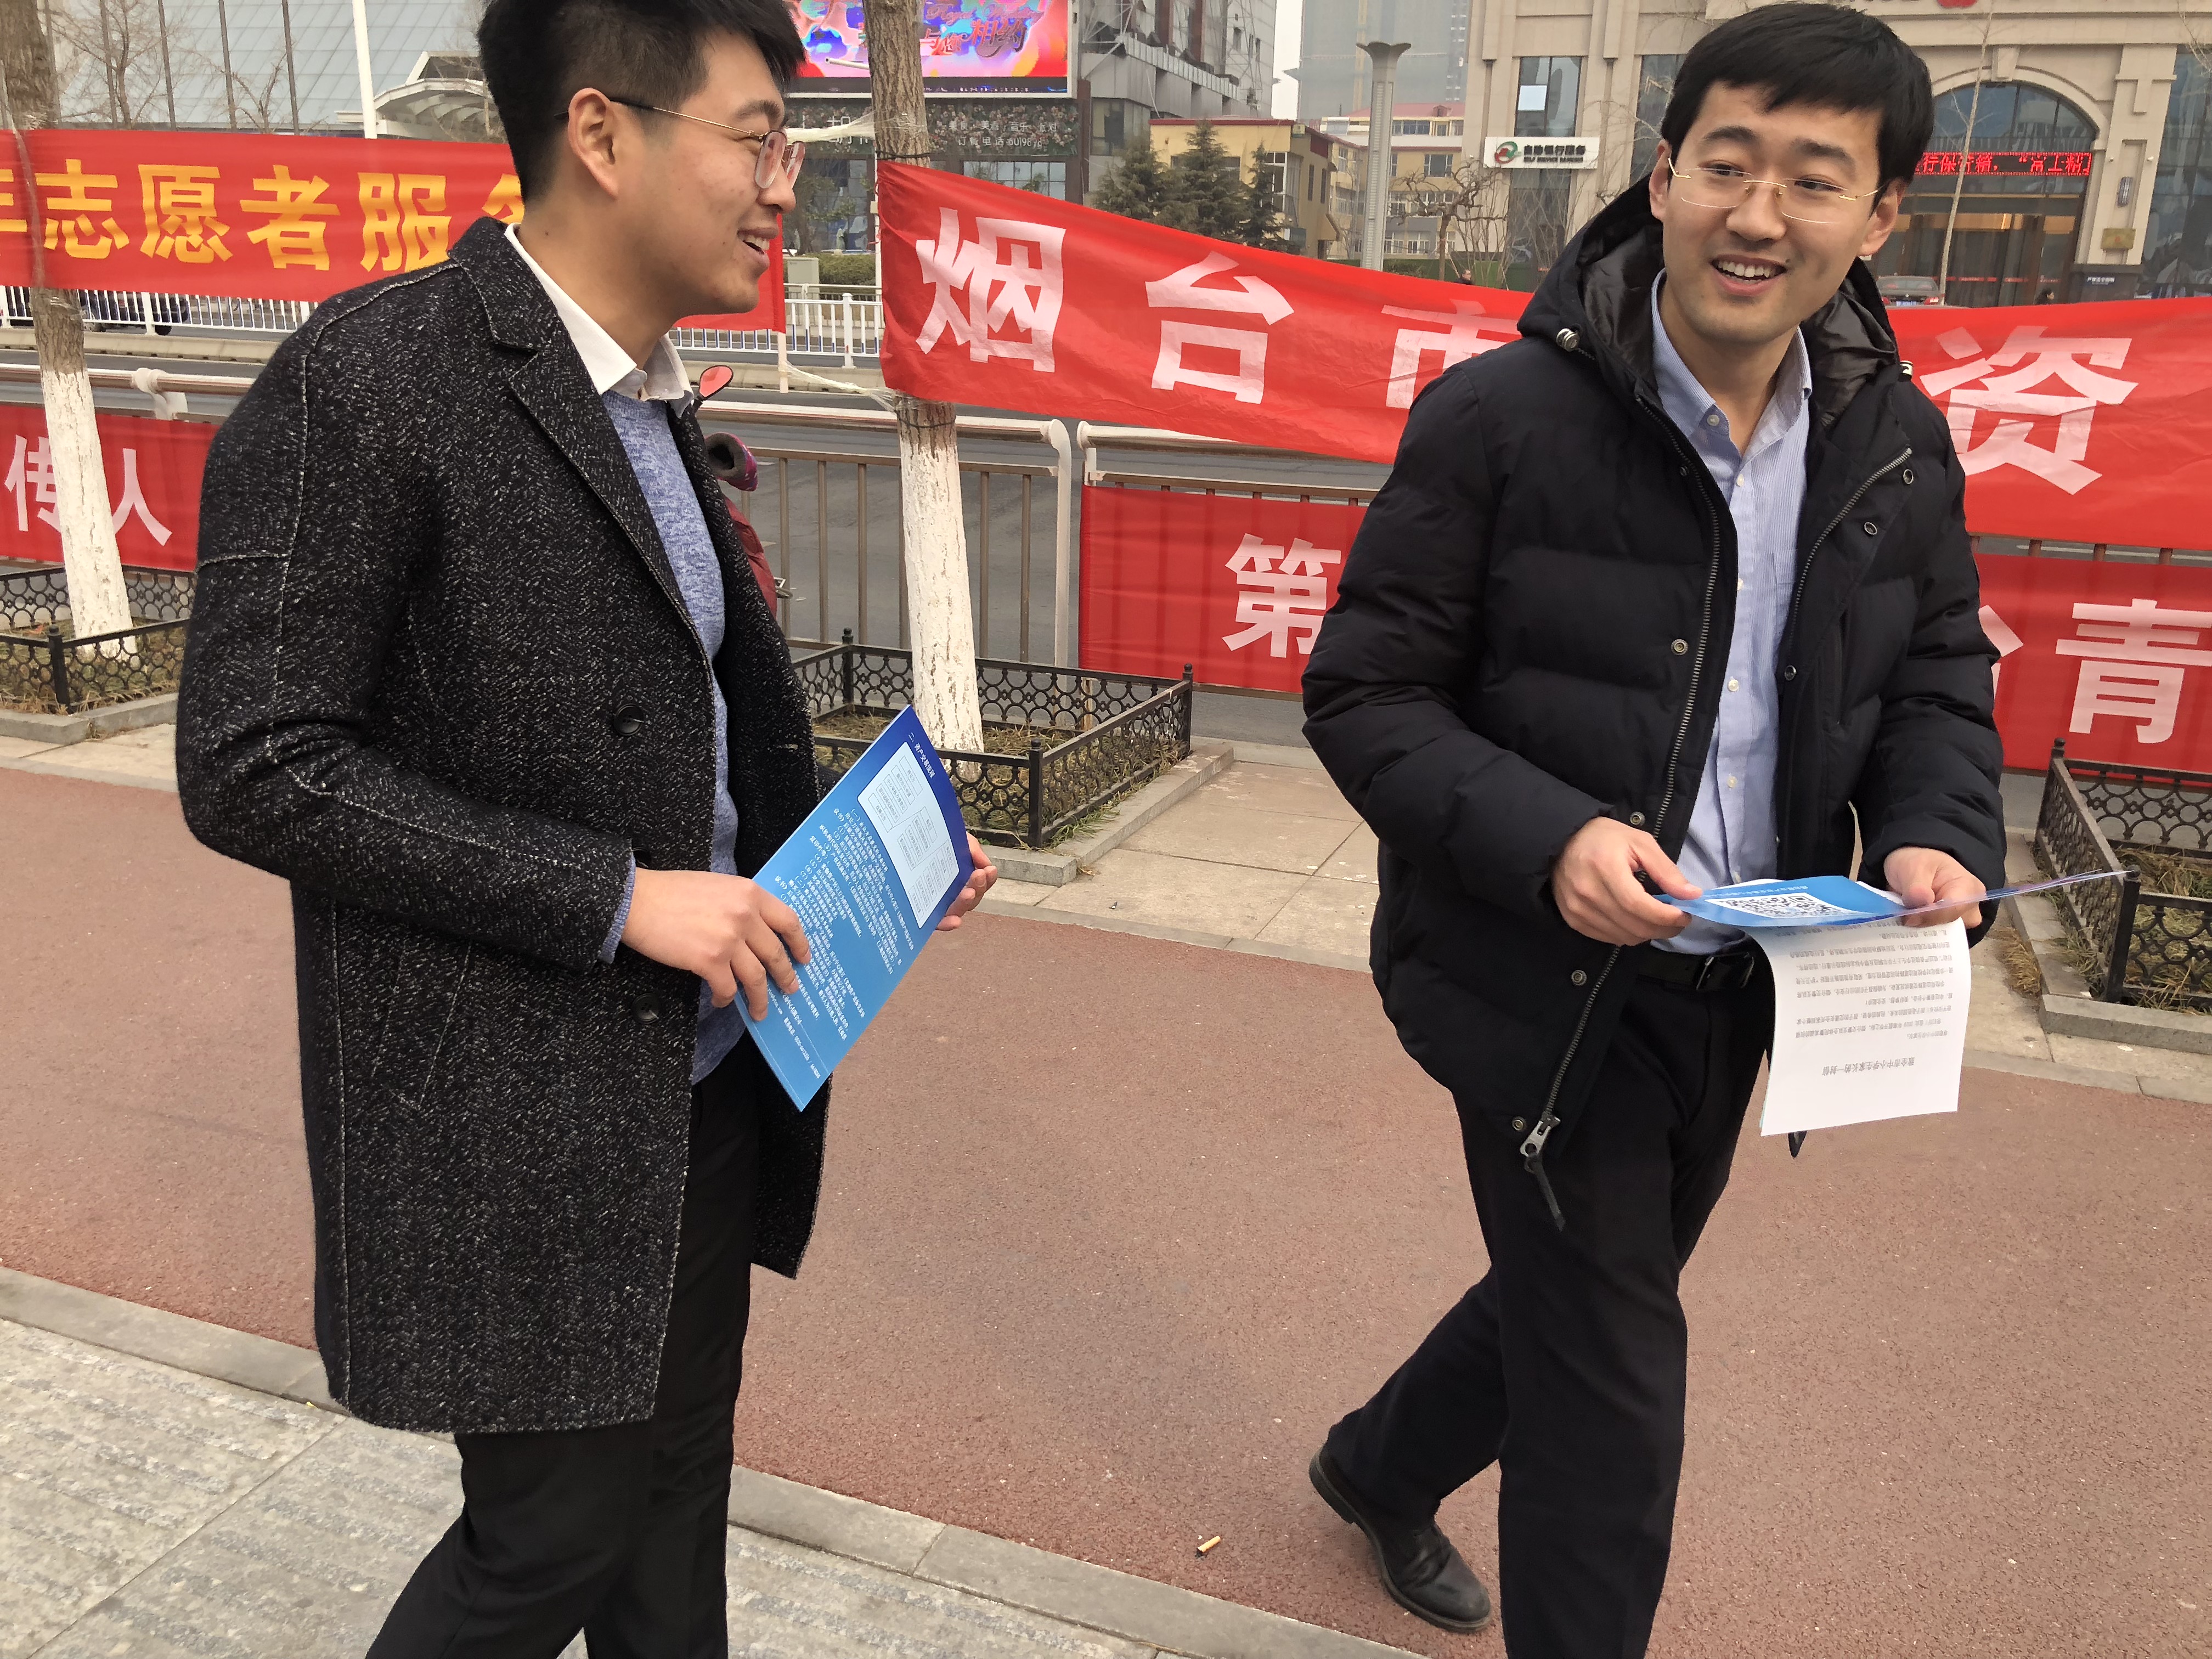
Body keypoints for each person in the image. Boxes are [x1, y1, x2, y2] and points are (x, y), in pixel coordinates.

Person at [174, 0, 994, 1651]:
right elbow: (252, 757)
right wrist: (617, 898)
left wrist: (867, 855)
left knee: (674, 1518)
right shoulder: (371, 378)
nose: (787, 183)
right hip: (515, 1117)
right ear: (604, 134)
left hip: (703, 1078)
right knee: (545, 1548)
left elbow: (676, 726)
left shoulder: (650, 398)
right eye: (759, 138)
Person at [1299, 6, 2004, 1655]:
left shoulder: (1895, 442)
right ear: (1663, 172)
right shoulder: (1500, 418)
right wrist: (1553, 838)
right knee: (1613, 1387)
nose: (1759, 216)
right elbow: (1366, 695)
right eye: (1727, 164)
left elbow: (1937, 675)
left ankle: (1376, 1466)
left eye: (1813, 180)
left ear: (1880, 216)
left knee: (1585, 1298)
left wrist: (1928, 827)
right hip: (1540, 982)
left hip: (1748, 978)